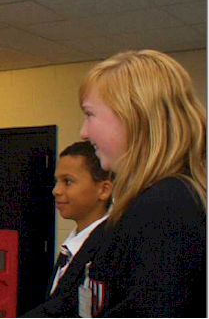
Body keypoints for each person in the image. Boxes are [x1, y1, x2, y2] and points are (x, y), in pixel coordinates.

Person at [77, 50, 206, 317]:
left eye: (90, 115)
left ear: (133, 117)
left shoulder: (165, 206)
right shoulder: (160, 200)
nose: (83, 132)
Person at [22, 141, 113, 318]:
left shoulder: (110, 247)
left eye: (68, 181)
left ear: (103, 189)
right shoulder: (71, 247)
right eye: (57, 181)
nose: (56, 190)